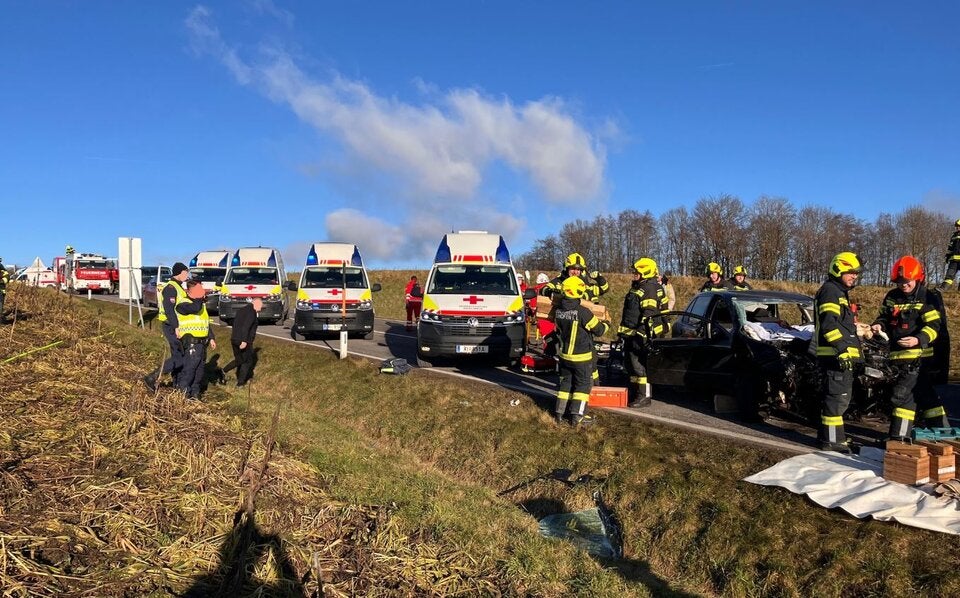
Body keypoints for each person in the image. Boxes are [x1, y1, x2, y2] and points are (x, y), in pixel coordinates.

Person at [870, 256, 949, 440]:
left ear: (917, 278)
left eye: (907, 282)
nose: (903, 285)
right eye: (899, 282)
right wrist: (878, 325)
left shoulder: (926, 297)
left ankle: (899, 438)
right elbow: (883, 317)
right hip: (897, 357)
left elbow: (934, 326)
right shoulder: (892, 296)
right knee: (926, 396)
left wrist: (918, 339)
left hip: (919, 358)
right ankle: (944, 434)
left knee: (902, 397)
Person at [813, 252, 864, 453]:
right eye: (850, 272)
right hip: (835, 356)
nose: (854, 276)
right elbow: (828, 325)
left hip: (839, 356)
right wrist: (842, 349)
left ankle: (835, 438)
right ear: (838, 269)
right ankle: (832, 442)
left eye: (856, 273)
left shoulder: (839, 292)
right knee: (836, 400)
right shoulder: (831, 291)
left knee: (839, 399)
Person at [553, 276, 609, 427]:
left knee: (566, 384)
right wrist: (607, 322)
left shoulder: (558, 310)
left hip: (564, 355)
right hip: (581, 357)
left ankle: (559, 413)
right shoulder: (583, 312)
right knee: (582, 387)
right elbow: (599, 331)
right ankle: (578, 417)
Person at [618, 258, 669, 408]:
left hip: (640, 334)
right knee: (632, 365)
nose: (634, 274)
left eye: (637, 272)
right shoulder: (641, 286)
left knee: (639, 365)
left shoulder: (649, 288)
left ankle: (644, 396)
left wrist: (641, 334)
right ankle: (637, 393)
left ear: (645, 272)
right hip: (631, 333)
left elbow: (649, 313)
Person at [142, 262, 189, 392]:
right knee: (179, 358)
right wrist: (176, 327)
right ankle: (152, 377)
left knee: (178, 356)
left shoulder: (178, 287)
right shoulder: (171, 288)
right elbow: (169, 310)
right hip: (171, 326)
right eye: (186, 272)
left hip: (176, 326)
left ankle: (177, 385)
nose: (187, 275)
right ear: (180, 272)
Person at [176, 279, 216, 399]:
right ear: (189, 291)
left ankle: (195, 393)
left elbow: (205, 323)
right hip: (191, 343)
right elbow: (194, 308)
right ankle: (183, 393)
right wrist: (199, 298)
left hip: (202, 343)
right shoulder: (183, 303)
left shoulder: (200, 305)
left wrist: (212, 338)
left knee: (199, 371)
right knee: (189, 369)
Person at [222, 297, 262, 387]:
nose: (261, 307)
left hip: (234, 338)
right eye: (260, 305)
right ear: (256, 304)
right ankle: (240, 383)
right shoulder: (251, 312)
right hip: (244, 340)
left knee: (239, 360)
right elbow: (246, 327)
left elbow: (235, 323)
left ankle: (223, 371)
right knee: (247, 361)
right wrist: (244, 341)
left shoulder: (242, 310)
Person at [539, 253, 610, 302]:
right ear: (567, 269)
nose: (575, 272)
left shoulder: (586, 285)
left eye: (578, 269)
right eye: (573, 268)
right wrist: (553, 292)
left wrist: (599, 278)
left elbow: (604, 289)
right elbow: (543, 290)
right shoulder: (559, 281)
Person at [941, 219, 960, 290]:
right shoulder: (954, 236)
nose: (957, 227)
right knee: (949, 276)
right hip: (953, 260)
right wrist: (947, 256)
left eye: (959, 226)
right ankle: (943, 289)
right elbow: (950, 248)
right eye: (956, 226)